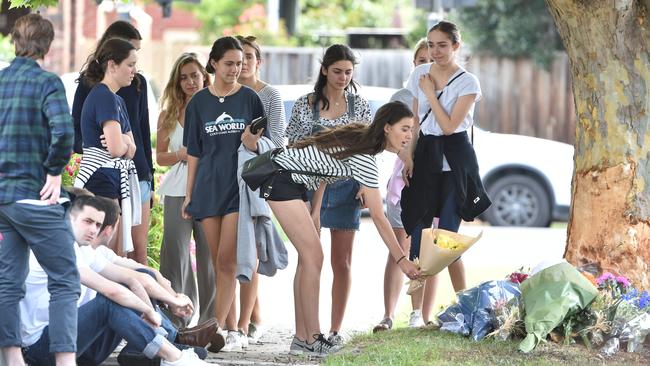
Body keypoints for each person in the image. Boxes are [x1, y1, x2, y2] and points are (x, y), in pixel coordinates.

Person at [245, 101, 420, 356]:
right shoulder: (366, 157)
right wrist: (402, 260)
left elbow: (325, 167)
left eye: (412, 130)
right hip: (280, 178)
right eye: (404, 128)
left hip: (289, 180)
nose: (409, 136)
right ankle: (312, 338)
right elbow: (379, 217)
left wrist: (315, 211)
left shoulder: (363, 141)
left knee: (309, 260)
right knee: (313, 257)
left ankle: (302, 339)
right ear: (386, 128)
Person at [19, 195, 209, 366]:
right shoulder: (54, 248)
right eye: (88, 222)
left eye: (97, 224)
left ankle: (158, 352)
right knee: (109, 301)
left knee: (123, 291)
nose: (94, 230)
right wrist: (149, 312)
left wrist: (158, 309)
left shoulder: (81, 249)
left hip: (77, 346)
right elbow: (111, 291)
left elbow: (133, 280)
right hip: (42, 351)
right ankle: (174, 358)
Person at [0, 14, 79, 366]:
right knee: (64, 279)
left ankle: (12, 358)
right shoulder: (48, 83)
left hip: (2, 198)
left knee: (7, 283)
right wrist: (52, 172)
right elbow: (64, 132)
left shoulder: (0, 82)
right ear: (47, 45)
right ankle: (65, 361)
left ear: (16, 41)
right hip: (35, 197)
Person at [401, 21, 491, 327]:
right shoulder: (419, 75)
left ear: (456, 46)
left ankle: (465, 310)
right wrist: (409, 158)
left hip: (455, 161)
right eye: (430, 44)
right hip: (426, 156)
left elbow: (451, 125)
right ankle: (415, 314)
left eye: (442, 45)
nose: (435, 51)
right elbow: (415, 119)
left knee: (448, 240)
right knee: (418, 233)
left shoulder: (469, 83)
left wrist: (431, 93)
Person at [183, 36, 265, 352]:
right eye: (229, 63)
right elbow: (194, 153)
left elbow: (264, 147)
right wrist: (189, 195)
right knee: (218, 262)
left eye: (240, 63)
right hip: (207, 187)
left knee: (228, 259)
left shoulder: (250, 99)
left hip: (239, 188)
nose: (236, 69)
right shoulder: (199, 103)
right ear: (214, 63)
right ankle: (230, 329)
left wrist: (250, 141)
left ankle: (211, 330)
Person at [285, 44, 372, 345]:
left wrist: (363, 182)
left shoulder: (359, 105)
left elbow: (367, 147)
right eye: (337, 71)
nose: (343, 77)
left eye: (348, 72)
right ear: (324, 69)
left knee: (342, 261)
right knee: (309, 259)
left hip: (348, 186)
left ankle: (335, 330)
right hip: (310, 187)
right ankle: (307, 330)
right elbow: (292, 144)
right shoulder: (303, 104)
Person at [72, 20, 153, 264]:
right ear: (112, 63)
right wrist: (122, 145)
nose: (134, 69)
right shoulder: (102, 94)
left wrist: (125, 146)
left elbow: (133, 142)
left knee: (125, 252)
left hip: (124, 175)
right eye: (130, 63)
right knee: (106, 254)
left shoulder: (117, 98)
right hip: (102, 176)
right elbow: (118, 147)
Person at [373, 38, 431, 332]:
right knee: (399, 245)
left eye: (431, 58)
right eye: (421, 59)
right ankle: (388, 313)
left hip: (433, 179)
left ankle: (420, 315)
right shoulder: (402, 96)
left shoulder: (446, 95)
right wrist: (405, 154)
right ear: (414, 63)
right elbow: (388, 138)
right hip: (404, 179)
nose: (426, 64)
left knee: (428, 250)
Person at [157, 52, 216, 328]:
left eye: (195, 75)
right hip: (176, 189)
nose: (190, 81)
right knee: (175, 253)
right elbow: (160, 157)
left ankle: (210, 320)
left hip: (207, 188)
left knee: (208, 256)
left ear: (204, 76)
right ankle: (176, 318)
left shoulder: (215, 109)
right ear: (177, 82)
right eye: (184, 77)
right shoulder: (167, 115)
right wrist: (182, 154)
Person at [235, 35, 287, 344]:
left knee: (253, 245)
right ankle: (254, 317)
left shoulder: (269, 95)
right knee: (239, 248)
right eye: (238, 57)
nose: (244, 63)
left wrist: (253, 146)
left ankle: (246, 322)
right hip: (228, 176)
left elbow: (279, 141)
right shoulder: (228, 92)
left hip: (258, 176)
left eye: (249, 57)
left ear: (258, 61)